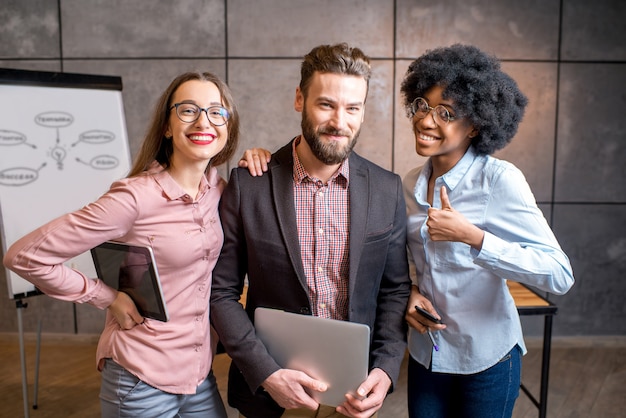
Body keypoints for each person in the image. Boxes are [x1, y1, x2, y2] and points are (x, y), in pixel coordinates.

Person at [3, 71, 240, 418]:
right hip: (140, 379)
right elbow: (24, 257)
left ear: (228, 128)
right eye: (188, 110)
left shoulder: (220, 193)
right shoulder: (135, 198)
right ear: (167, 126)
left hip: (198, 377)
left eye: (216, 112)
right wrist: (107, 297)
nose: (203, 120)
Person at [210, 43, 411, 418]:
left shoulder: (387, 189)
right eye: (326, 105)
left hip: (354, 395)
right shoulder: (249, 184)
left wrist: (384, 367)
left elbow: (395, 289)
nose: (340, 121)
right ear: (299, 99)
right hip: (267, 394)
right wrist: (266, 373)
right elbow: (221, 293)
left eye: (353, 108)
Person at [400, 44, 575, 418]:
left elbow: (559, 274)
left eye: (446, 112)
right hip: (428, 354)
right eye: (422, 105)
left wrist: (473, 237)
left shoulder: (499, 180)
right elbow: (407, 262)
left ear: (475, 124)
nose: (426, 120)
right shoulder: (410, 184)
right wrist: (410, 293)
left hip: (487, 361)